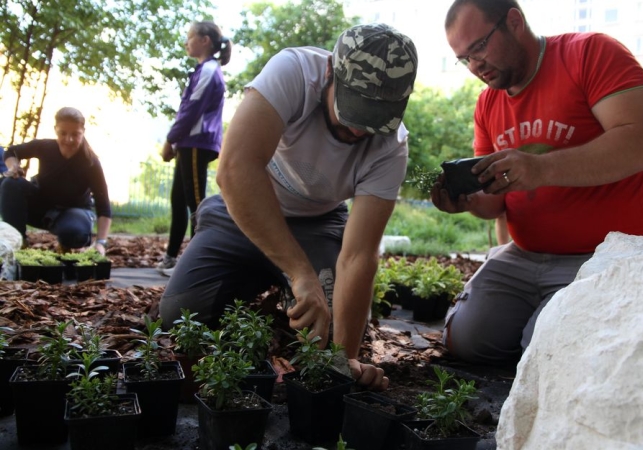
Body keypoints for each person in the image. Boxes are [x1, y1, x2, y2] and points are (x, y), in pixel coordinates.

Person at [159, 23, 418, 391]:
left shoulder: (391, 148)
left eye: (375, 118)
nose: (360, 130)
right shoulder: (293, 71)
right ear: (330, 72)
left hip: (319, 224)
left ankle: (288, 289)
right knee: (180, 317)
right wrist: (300, 272)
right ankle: (278, 278)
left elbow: (359, 255)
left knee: (328, 341)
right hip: (242, 215)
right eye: (353, 109)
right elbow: (235, 170)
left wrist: (344, 362)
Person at [432, 0, 643, 367]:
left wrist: (540, 169)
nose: (475, 65)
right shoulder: (487, 104)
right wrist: (467, 200)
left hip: (607, 254)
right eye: (464, 58)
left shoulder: (590, 53)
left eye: (479, 47)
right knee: (467, 341)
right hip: (524, 256)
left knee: (544, 350)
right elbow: (495, 202)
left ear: (514, 21)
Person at [156, 20, 232, 276]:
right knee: (179, 200)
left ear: (205, 41)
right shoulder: (203, 70)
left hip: (197, 143)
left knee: (197, 205)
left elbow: (191, 109)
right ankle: (171, 258)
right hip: (188, 143)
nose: (186, 42)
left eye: (190, 36)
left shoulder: (210, 70)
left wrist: (170, 139)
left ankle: (195, 267)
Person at [0, 107, 112, 255]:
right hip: (42, 209)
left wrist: (101, 243)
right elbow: (11, 151)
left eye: (75, 134)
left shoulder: (91, 162)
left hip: (74, 213)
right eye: (63, 133)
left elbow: (103, 206)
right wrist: (13, 166)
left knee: (74, 233)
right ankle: (19, 243)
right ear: (55, 130)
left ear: (83, 131)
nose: (68, 140)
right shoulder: (45, 147)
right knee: (9, 183)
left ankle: (68, 244)